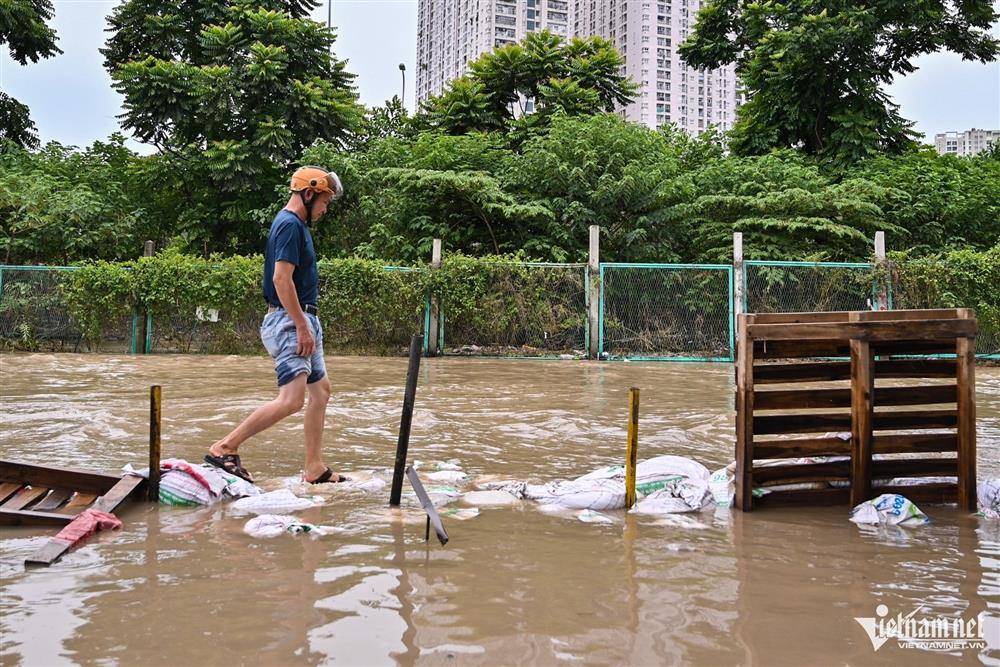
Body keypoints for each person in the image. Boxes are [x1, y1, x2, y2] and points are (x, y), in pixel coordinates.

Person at [204, 166, 346, 484]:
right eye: (325, 201)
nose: (325, 209)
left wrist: (306, 323)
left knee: (320, 392)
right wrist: (300, 325)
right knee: (292, 399)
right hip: (289, 320)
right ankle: (223, 447)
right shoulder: (289, 225)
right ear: (308, 194)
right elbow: (280, 279)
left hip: (303, 318)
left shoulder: (296, 226)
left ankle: (314, 468)